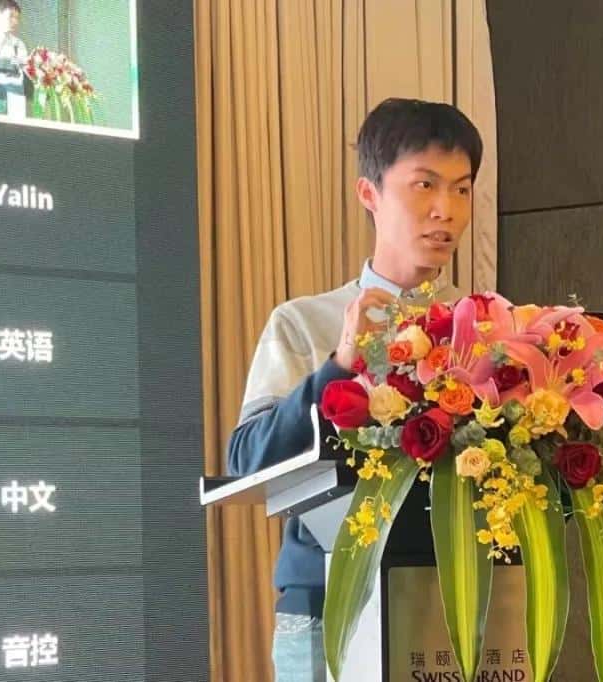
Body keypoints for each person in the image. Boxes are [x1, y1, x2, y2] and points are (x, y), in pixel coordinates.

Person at [226, 97, 483, 681]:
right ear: (369, 193)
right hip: (327, 608)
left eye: (462, 189)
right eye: (424, 185)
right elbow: (246, 459)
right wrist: (340, 364)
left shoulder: (489, 326)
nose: (445, 210)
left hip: (460, 605)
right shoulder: (304, 322)